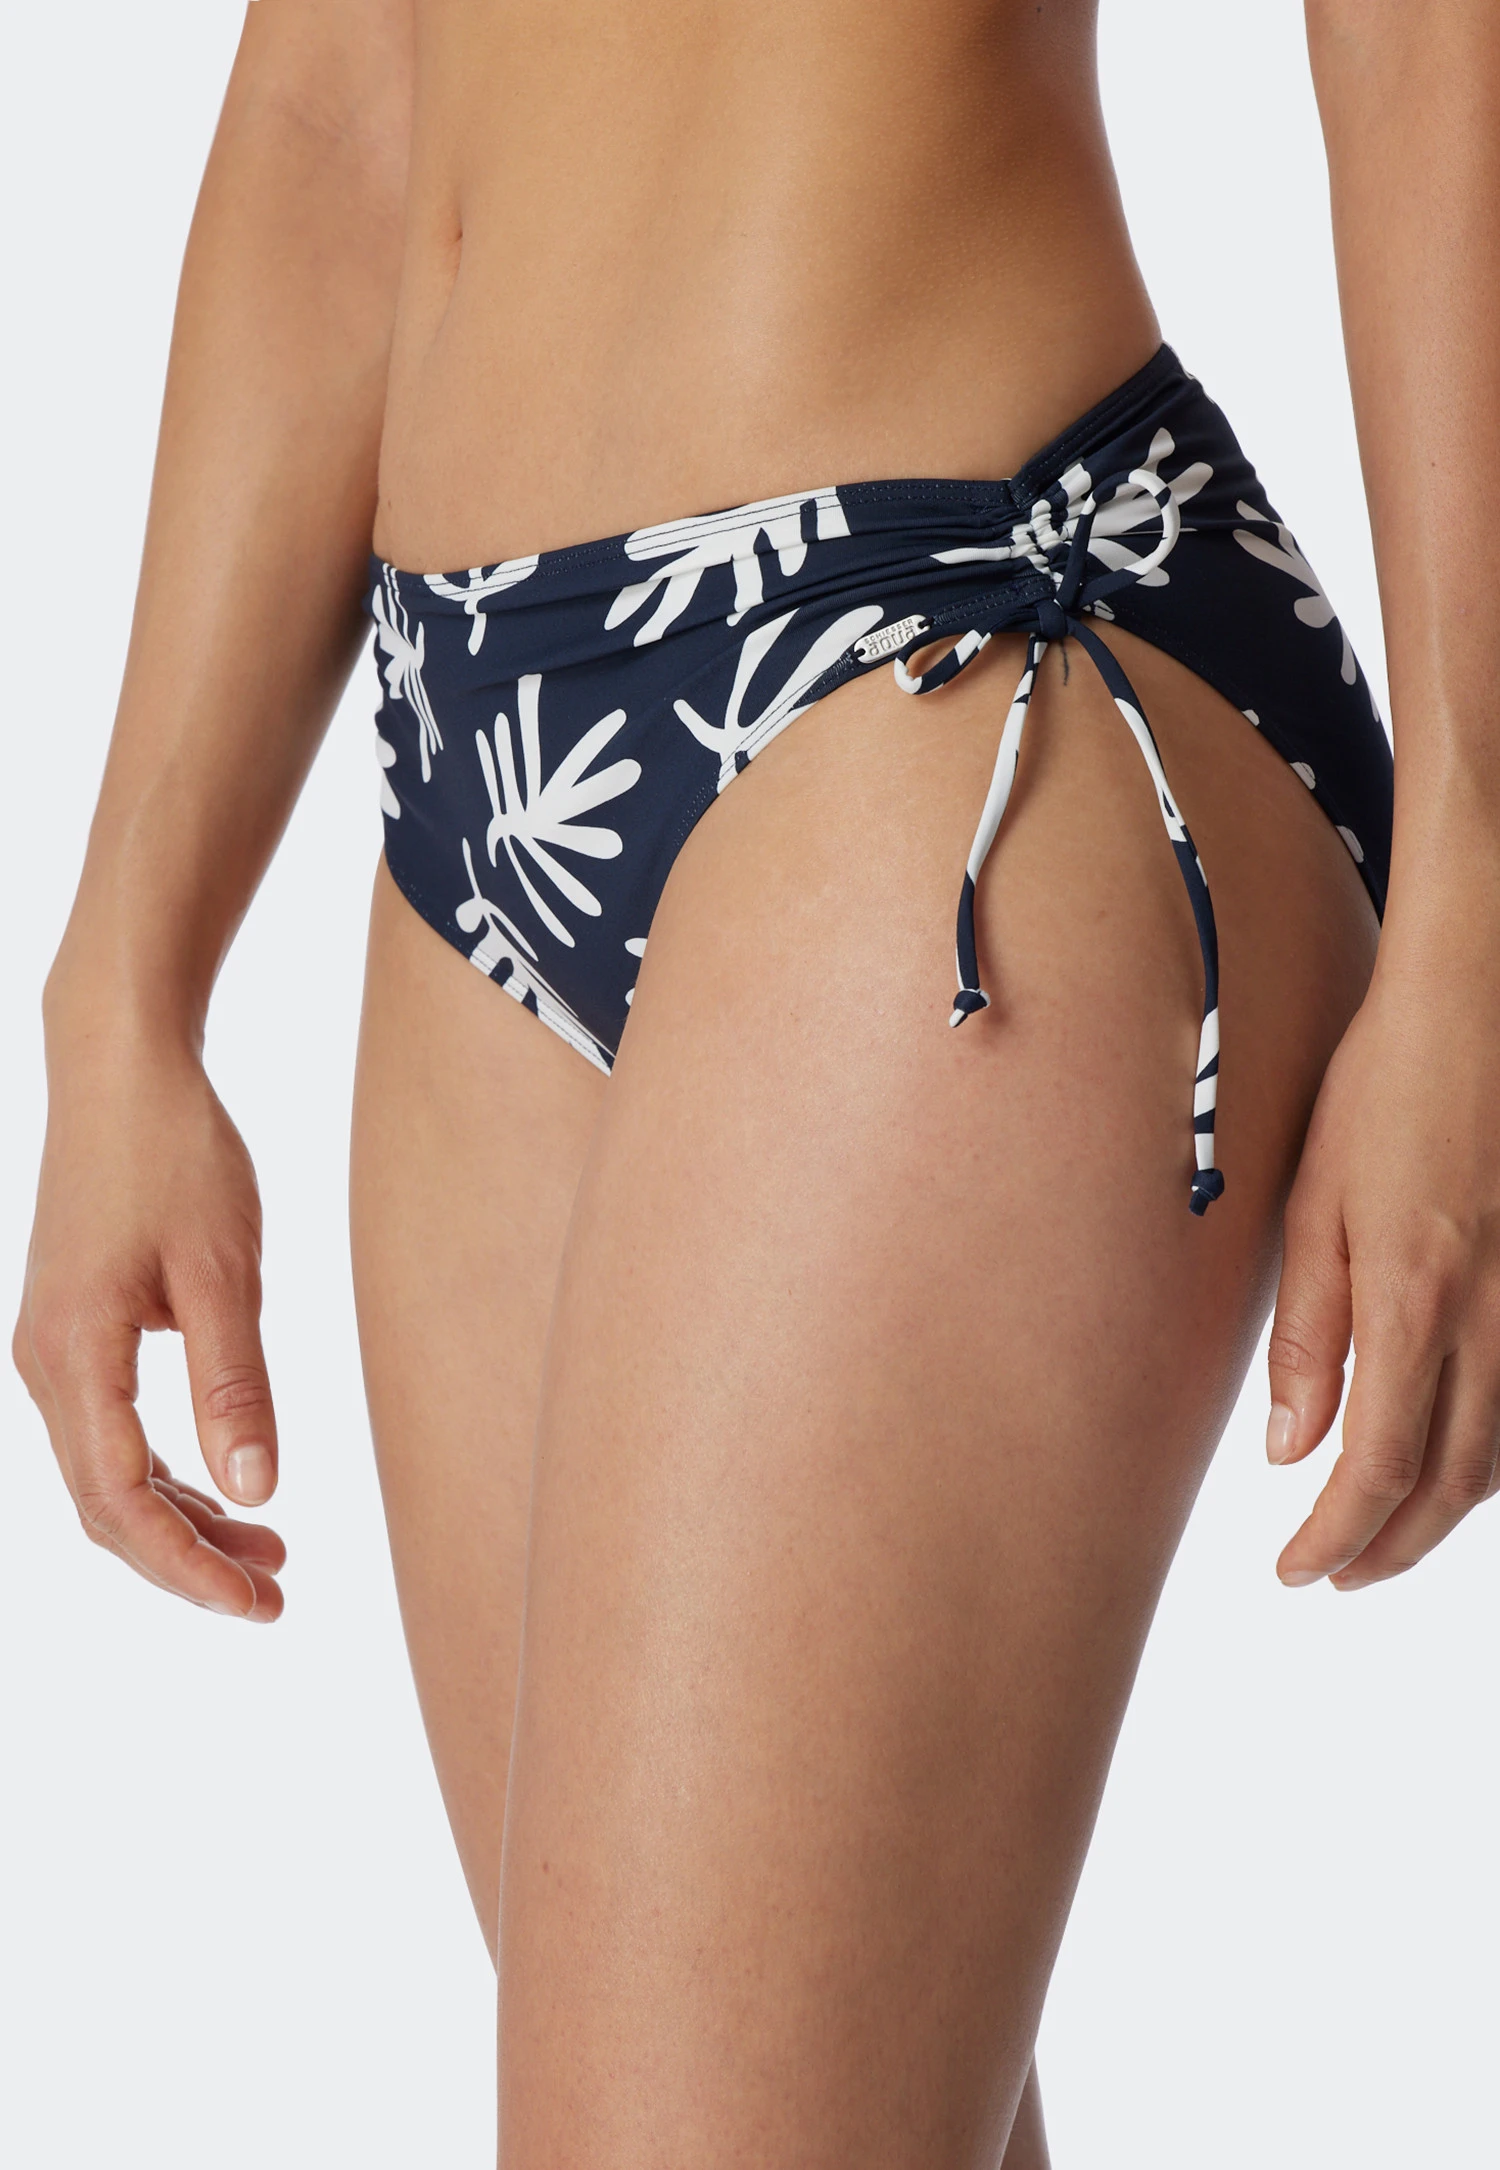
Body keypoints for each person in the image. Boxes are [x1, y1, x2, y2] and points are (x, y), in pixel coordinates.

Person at [12, 2, 1499, 2161]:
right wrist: (122, 980)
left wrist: (1477, 912)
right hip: (483, 773)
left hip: (957, 642)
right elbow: (337, 93)